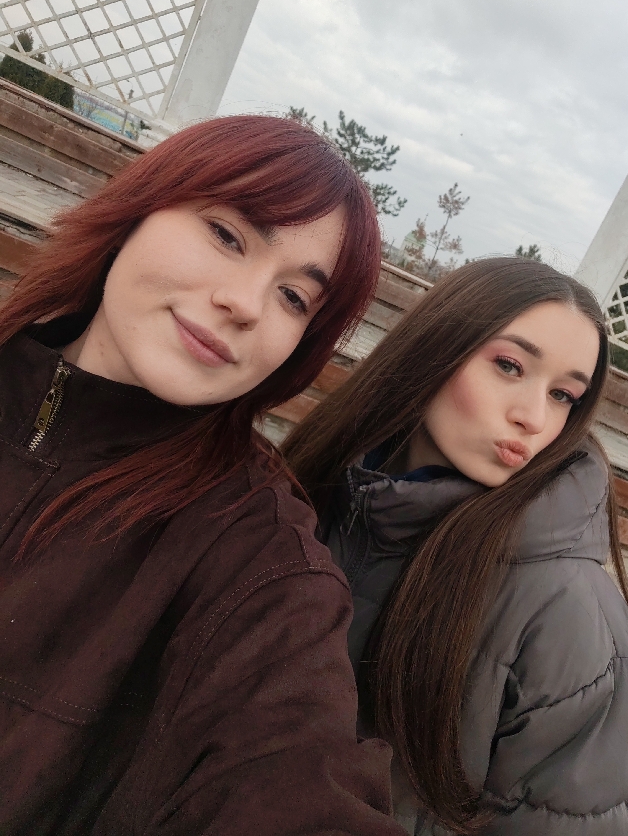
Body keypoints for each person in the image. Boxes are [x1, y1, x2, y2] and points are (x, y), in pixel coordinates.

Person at [0, 115, 407, 836]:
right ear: (140, 207)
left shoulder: (262, 565)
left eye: (293, 297)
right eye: (227, 234)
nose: (245, 304)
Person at [284, 258, 628, 836]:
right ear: (435, 347)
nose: (533, 417)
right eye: (509, 366)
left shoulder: (568, 615)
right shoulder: (306, 494)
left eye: (563, 395)